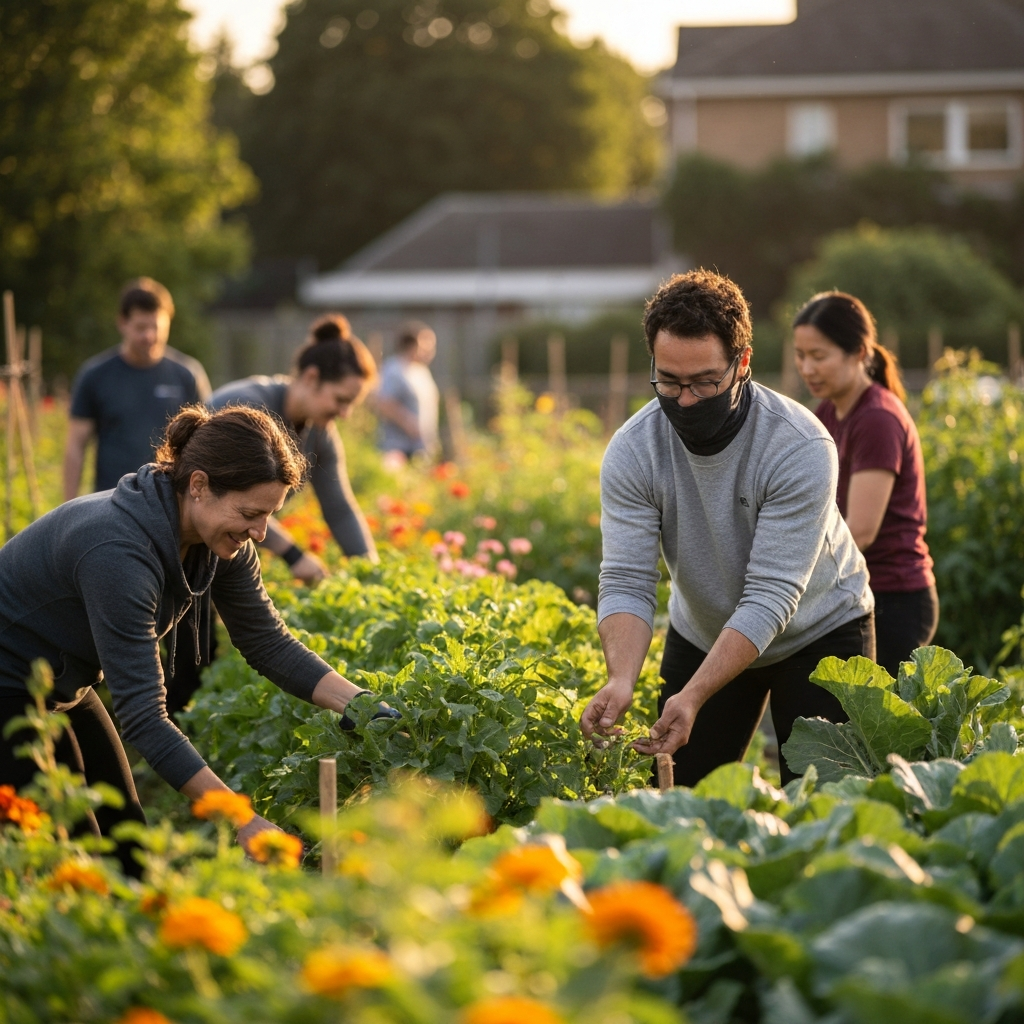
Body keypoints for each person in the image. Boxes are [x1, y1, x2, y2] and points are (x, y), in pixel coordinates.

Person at [0, 405, 397, 875]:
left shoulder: (218, 540)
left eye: (269, 515)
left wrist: (363, 705)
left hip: (65, 684)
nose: (260, 532)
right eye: (250, 513)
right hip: (8, 685)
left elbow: (266, 639)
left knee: (128, 850)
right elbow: (144, 717)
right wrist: (242, 819)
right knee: (74, 862)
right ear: (198, 484)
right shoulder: (118, 552)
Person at [579, 270, 875, 786]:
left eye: (704, 382)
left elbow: (771, 595)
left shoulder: (799, 446)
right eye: (669, 381)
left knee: (825, 807)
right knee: (685, 800)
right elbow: (627, 578)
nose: (686, 400)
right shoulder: (634, 450)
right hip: (705, 628)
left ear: (742, 364)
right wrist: (621, 678)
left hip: (819, 630)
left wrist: (694, 694)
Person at [793, 292, 937, 677]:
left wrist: (792, 574)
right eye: (801, 355)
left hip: (894, 596)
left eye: (819, 356)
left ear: (858, 352)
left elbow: (862, 531)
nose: (807, 368)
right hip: (853, 591)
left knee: (883, 732)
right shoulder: (826, 411)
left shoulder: (877, 418)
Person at [207, 314, 378, 588]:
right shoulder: (248, 408)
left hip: (229, 549)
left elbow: (340, 510)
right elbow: (236, 502)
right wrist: (293, 555)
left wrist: (371, 573)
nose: (345, 414)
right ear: (312, 378)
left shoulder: (321, 435)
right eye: (341, 400)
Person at [63, 277, 211, 500]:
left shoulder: (187, 375)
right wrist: (69, 507)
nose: (149, 336)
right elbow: (76, 446)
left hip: (172, 503)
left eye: (156, 327)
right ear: (122, 323)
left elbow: (206, 443)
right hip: (112, 502)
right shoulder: (96, 376)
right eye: (141, 327)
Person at [375, 320, 440, 468]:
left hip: (420, 447)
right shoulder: (395, 370)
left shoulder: (421, 371)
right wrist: (407, 422)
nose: (431, 349)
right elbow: (384, 402)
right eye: (427, 343)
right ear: (413, 344)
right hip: (399, 448)